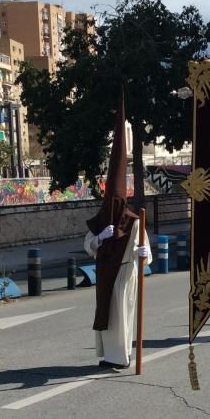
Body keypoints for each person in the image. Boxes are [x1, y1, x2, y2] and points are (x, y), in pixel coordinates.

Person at [85, 93, 152, 370]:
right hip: (105, 272)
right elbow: (87, 243)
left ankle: (121, 357)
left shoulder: (134, 220)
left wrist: (143, 253)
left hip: (125, 273)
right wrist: (99, 238)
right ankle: (108, 355)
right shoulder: (102, 218)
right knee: (107, 315)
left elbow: (144, 252)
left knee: (122, 315)